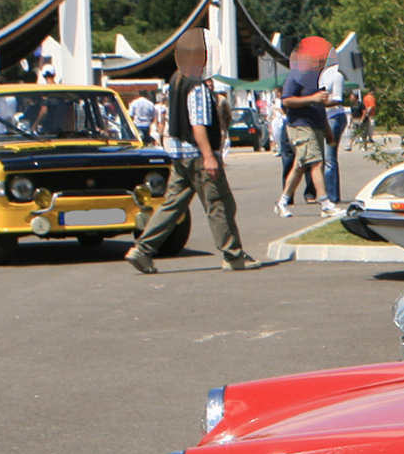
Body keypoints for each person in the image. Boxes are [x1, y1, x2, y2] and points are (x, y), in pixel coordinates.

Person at [126, 29, 260, 274]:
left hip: (179, 154)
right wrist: (209, 156)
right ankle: (233, 255)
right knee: (219, 203)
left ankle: (142, 249)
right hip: (197, 156)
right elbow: (198, 124)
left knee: (171, 206)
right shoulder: (196, 84)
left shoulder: (176, 79)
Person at [277, 37, 331, 218]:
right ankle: (325, 203)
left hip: (316, 126)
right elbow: (286, 100)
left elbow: (320, 105)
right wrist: (312, 99)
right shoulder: (295, 75)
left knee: (300, 166)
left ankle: (282, 202)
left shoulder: (317, 79)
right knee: (316, 162)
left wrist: (328, 130)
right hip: (300, 125)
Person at [318, 57, 348, 213]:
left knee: (330, 158)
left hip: (335, 117)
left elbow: (337, 99)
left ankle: (332, 195)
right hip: (323, 118)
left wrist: (319, 102)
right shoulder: (320, 78)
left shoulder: (337, 76)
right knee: (322, 158)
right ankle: (325, 193)